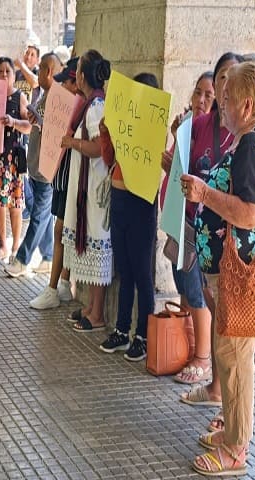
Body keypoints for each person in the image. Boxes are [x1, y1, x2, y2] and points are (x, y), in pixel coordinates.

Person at [183, 61, 255, 477]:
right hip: (227, 270)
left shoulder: (252, 145)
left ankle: (236, 449)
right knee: (230, 354)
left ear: (247, 104)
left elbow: (253, 213)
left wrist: (205, 193)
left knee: (235, 361)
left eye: (227, 97)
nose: (220, 103)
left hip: (237, 272)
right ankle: (233, 435)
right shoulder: (246, 141)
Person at [94, 73, 159, 365]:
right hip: (119, 202)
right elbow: (110, 160)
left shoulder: (154, 130)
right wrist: (106, 133)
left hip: (141, 205)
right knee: (124, 270)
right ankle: (122, 330)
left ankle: (142, 335)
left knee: (142, 272)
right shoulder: (125, 125)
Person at [160, 71, 216, 384]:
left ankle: (203, 358)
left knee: (196, 290)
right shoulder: (186, 126)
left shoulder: (214, 133)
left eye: (209, 95)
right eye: (198, 92)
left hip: (197, 222)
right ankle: (190, 345)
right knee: (183, 284)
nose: (201, 100)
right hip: (177, 218)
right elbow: (174, 165)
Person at [58, 50, 113, 347]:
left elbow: (97, 148)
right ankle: (92, 307)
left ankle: (98, 312)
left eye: (78, 69)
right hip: (87, 185)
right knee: (90, 242)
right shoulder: (93, 104)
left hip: (94, 187)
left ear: (82, 76)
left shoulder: (95, 108)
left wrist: (71, 142)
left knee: (95, 241)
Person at [29, 57, 81, 309]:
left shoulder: (83, 109)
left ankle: (55, 287)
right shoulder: (64, 104)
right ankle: (62, 283)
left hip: (71, 177)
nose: (62, 88)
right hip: (60, 176)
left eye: (67, 83)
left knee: (61, 230)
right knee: (62, 230)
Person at [5, 52, 62, 277]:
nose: (37, 74)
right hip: (36, 165)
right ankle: (48, 256)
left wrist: (39, 121)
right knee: (43, 216)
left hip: (48, 170)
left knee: (38, 216)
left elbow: (57, 131)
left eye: (41, 69)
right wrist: (33, 118)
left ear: (49, 71)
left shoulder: (59, 99)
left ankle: (22, 260)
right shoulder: (43, 95)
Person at [0, 57, 31, 262]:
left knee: (15, 205)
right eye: (0, 71)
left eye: (7, 71)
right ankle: (3, 245)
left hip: (13, 160)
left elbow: (29, 126)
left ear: (13, 75)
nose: (3, 75)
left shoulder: (20, 97)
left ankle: (16, 246)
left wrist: (13, 122)